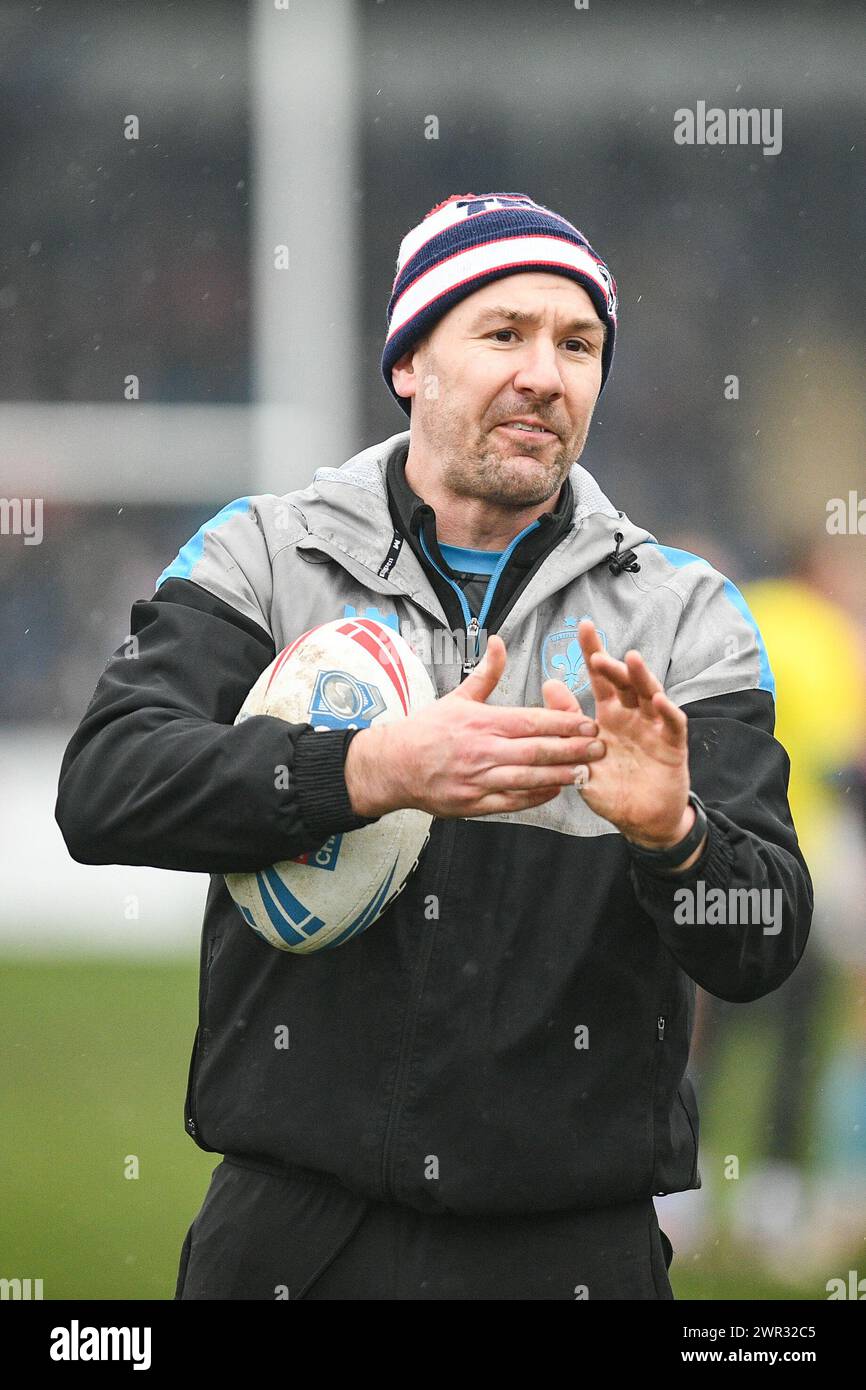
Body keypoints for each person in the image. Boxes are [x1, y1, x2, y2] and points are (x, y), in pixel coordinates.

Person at [55, 191, 813, 1300]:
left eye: (578, 344)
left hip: (573, 1250)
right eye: (501, 333)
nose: (544, 375)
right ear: (410, 360)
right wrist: (365, 772)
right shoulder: (263, 556)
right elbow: (106, 789)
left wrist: (675, 839)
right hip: (292, 1241)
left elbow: (761, 938)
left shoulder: (685, 618)